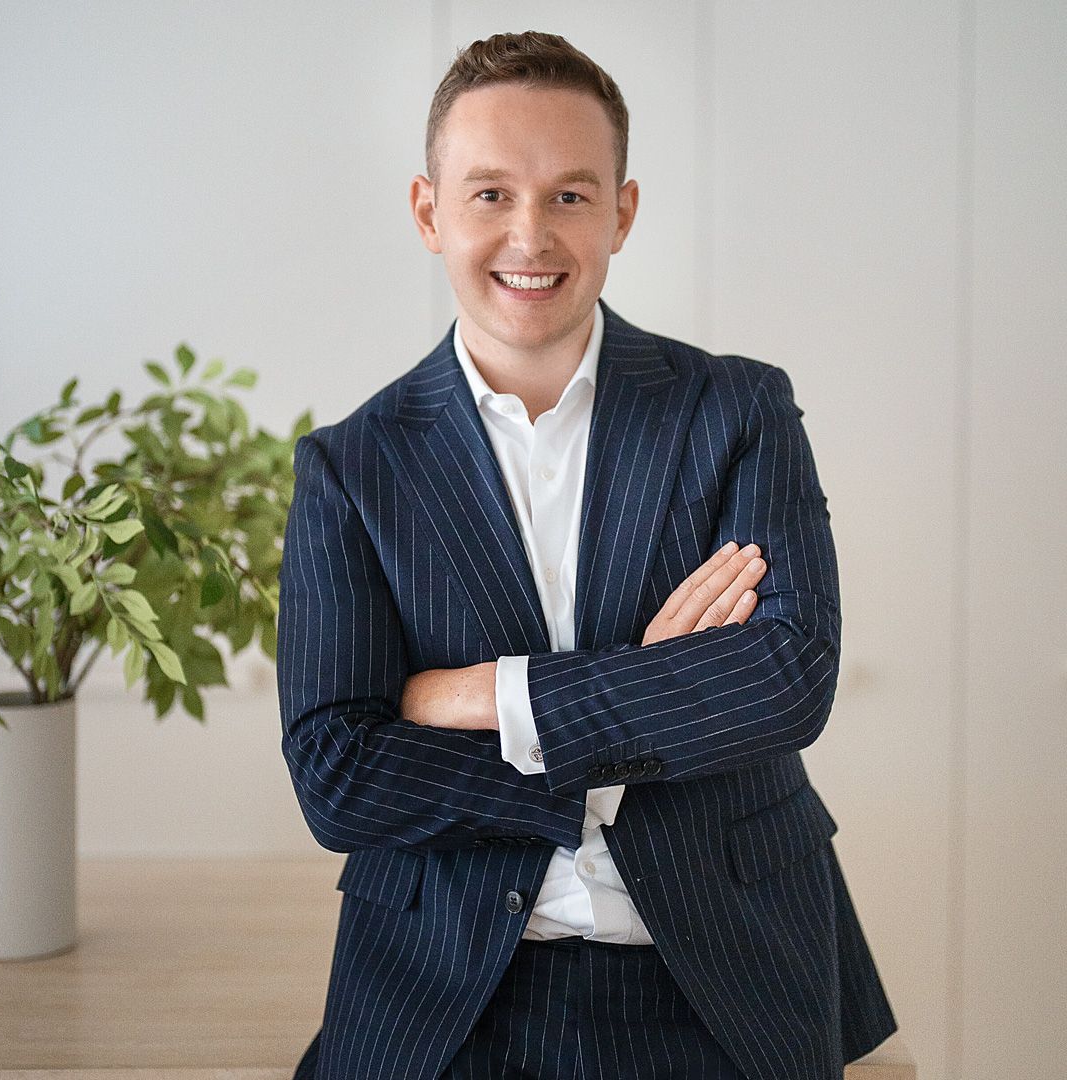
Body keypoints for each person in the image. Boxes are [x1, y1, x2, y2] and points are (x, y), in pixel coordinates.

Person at [277, 30, 897, 1080]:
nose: (531, 234)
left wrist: (484, 696)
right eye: (489, 194)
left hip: (728, 983)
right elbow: (339, 778)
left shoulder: (738, 408)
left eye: (570, 194)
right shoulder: (352, 465)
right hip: (445, 994)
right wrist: (649, 693)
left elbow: (788, 677)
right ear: (429, 212)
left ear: (623, 212)